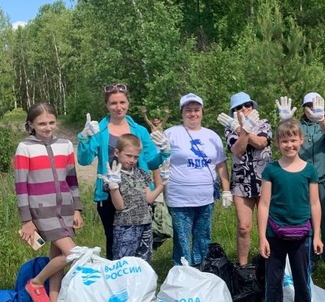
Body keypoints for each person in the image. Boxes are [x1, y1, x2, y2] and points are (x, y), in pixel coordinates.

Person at [77, 83, 167, 259]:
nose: (118, 107)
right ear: (107, 105)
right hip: (109, 195)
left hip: (137, 195)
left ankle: (139, 282)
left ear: (128, 103)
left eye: (122, 102)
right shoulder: (99, 131)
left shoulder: (139, 131)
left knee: (140, 240)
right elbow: (84, 159)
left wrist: (164, 153)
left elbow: (151, 162)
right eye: (113, 103)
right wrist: (84, 138)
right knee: (114, 241)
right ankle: (115, 281)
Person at [258, 120, 323, 302]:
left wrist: (318, 235)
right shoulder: (271, 170)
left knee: (302, 280)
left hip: (302, 234)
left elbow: (315, 204)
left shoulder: (310, 170)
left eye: (293, 140)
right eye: (284, 140)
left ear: (301, 141)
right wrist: (262, 238)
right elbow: (264, 204)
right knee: (273, 280)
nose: (289, 144)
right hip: (275, 234)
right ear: (277, 143)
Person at [17, 103, 83, 302]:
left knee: (58, 256)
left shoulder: (65, 145)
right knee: (73, 254)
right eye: (41, 123)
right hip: (41, 210)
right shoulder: (25, 147)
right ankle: (35, 283)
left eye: (51, 122)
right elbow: (21, 186)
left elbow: (72, 180)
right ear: (31, 125)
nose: (47, 127)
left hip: (64, 208)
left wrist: (77, 208)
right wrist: (27, 220)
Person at [164, 93, 231, 266]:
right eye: (188, 110)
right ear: (182, 113)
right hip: (180, 198)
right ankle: (182, 273)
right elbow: (159, 162)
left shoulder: (211, 136)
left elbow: (221, 164)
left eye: (196, 110)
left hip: (205, 198)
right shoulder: (171, 134)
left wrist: (226, 190)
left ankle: (201, 270)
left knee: (203, 237)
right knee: (182, 239)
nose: (192, 114)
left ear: (202, 112)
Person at [288, 92, 325, 279]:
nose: (311, 109)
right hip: (303, 179)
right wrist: (286, 122)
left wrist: (321, 120)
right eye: (308, 106)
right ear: (303, 108)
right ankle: (309, 257)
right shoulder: (298, 126)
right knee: (305, 220)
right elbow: (286, 139)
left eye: (315, 105)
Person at [217, 92, 272, 267]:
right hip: (242, 181)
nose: (244, 109)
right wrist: (243, 131)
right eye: (239, 107)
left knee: (269, 225)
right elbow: (237, 150)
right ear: (234, 111)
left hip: (264, 180)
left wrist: (243, 130)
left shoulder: (264, 123)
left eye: (247, 105)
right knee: (243, 227)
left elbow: (262, 143)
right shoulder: (228, 128)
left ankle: (271, 262)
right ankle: (243, 267)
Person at [101, 134, 169, 262]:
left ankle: (142, 282)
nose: (132, 160)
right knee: (124, 261)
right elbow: (119, 206)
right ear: (117, 152)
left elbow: (149, 199)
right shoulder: (113, 175)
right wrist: (114, 187)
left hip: (145, 223)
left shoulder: (141, 173)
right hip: (125, 225)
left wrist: (163, 184)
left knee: (143, 261)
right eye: (128, 155)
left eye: (136, 157)